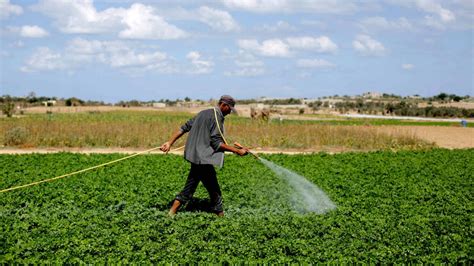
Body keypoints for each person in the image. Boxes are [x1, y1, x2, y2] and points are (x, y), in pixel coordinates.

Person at [160, 95, 249, 217]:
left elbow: (184, 128)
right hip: (202, 158)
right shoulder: (216, 117)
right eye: (229, 109)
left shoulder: (204, 112)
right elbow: (216, 143)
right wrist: (236, 151)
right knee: (213, 189)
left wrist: (170, 142)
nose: (229, 112)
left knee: (193, 185)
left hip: (196, 157)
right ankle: (221, 217)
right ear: (223, 105)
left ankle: (171, 213)